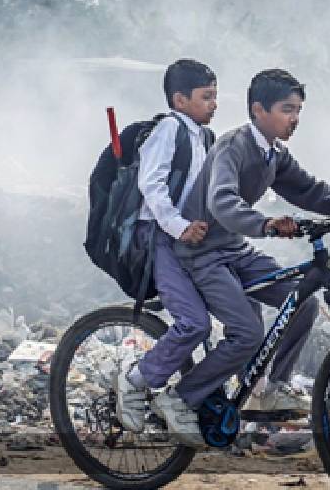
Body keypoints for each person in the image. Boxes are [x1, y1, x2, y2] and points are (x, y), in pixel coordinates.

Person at [171, 68, 330, 418]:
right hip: (202, 254)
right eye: (287, 109)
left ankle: (269, 390)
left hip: (233, 250)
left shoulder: (273, 154)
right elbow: (221, 202)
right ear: (258, 109)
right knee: (248, 332)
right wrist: (266, 224)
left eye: (298, 110)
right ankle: (180, 398)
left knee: (302, 302)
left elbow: (307, 189)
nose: (295, 118)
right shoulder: (232, 146)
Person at [115, 59, 217, 446]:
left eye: (215, 97)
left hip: (191, 240)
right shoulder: (169, 129)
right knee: (194, 324)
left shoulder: (204, 138)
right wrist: (179, 226)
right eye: (206, 97)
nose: (214, 105)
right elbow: (152, 187)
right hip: (161, 238)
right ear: (180, 99)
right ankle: (136, 379)